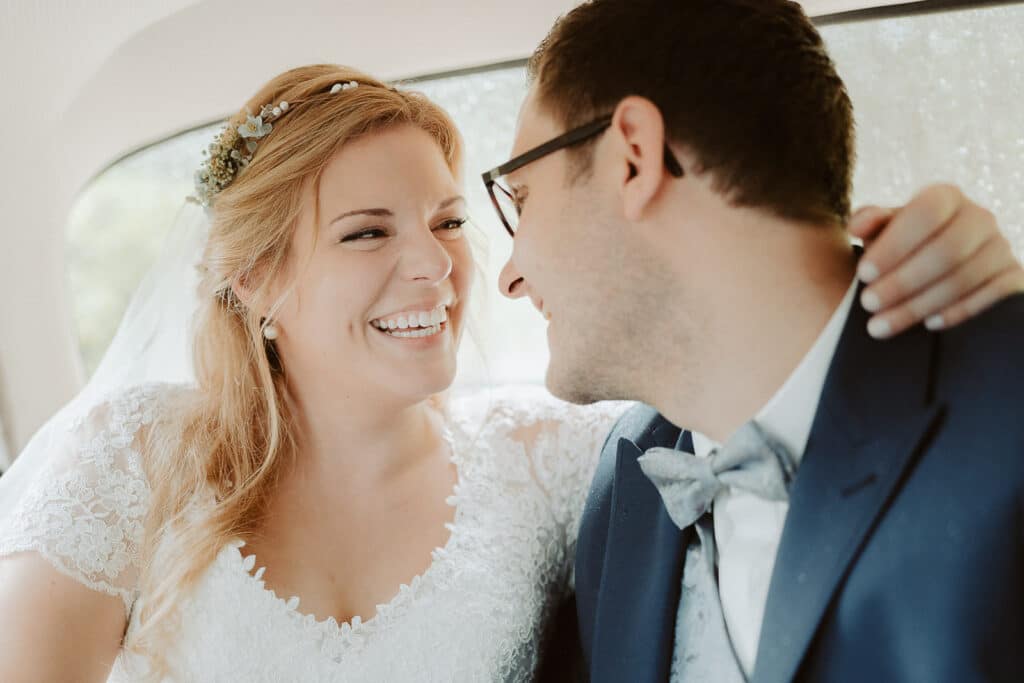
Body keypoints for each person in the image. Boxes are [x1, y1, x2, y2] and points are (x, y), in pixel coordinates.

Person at [0, 41, 1016, 683]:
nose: (440, 264)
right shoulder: (134, 453)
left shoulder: (567, 463)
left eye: (452, 218)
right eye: (364, 233)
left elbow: (748, 348)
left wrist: (918, 251)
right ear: (256, 280)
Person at [492, 1, 1024, 681]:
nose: (509, 275)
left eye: (523, 196)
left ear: (633, 157)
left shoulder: (1004, 417)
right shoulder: (625, 478)